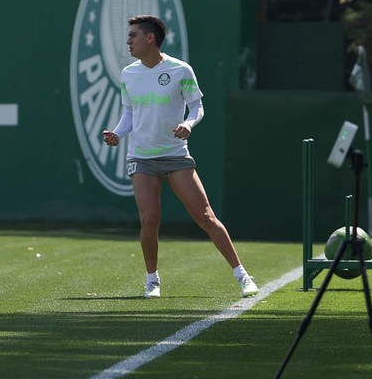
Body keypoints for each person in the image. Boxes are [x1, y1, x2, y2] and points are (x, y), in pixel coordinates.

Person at [102, 15, 257, 299]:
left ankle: (243, 276)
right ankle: (152, 281)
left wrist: (188, 123)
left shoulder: (180, 70)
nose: (128, 41)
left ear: (150, 38)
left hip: (175, 155)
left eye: (133, 35)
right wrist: (117, 134)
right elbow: (128, 114)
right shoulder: (128, 74)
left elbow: (197, 107)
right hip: (142, 158)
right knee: (149, 220)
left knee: (205, 215)